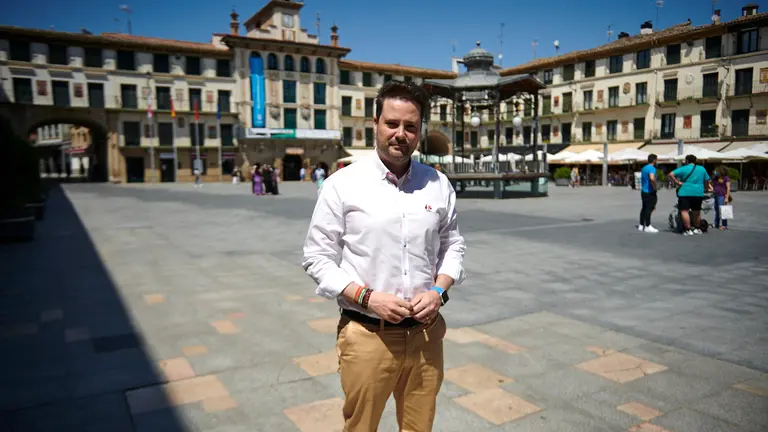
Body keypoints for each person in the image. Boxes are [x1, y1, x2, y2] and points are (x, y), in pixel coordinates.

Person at [302, 80, 466, 431]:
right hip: (367, 336)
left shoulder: (438, 184)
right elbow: (317, 257)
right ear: (374, 124)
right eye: (392, 123)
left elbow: (453, 245)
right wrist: (367, 297)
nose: (400, 134)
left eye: (410, 126)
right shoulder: (342, 184)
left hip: (425, 336)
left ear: (420, 131)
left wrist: (438, 291)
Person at [669, 154, 712, 236]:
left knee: (684, 211)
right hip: (698, 192)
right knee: (696, 211)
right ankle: (697, 228)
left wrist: (677, 182)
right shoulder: (702, 169)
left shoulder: (684, 168)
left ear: (686, 161)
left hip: (685, 192)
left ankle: (688, 229)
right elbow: (707, 180)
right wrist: (706, 189)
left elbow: (670, 174)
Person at [638, 154, 659, 233]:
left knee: (644, 208)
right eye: (656, 160)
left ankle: (641, 224)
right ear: (654, 160)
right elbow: (652, 178)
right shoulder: (652, 168)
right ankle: (647, 225)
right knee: (649, 208)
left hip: (644, 190)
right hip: (650, 191)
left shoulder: (644, 168)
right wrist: (655, 187)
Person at [712, 165, 731, 230]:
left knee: (723, 210)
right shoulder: (715, 178)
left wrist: (727, 197)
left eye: (717, 171)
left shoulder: (726, 178)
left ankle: (724, 225)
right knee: (716, 210)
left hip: (722, 196)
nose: (715, 172)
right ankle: (716, 223)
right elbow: (713, 185)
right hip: (716, 195)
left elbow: (728, 188)